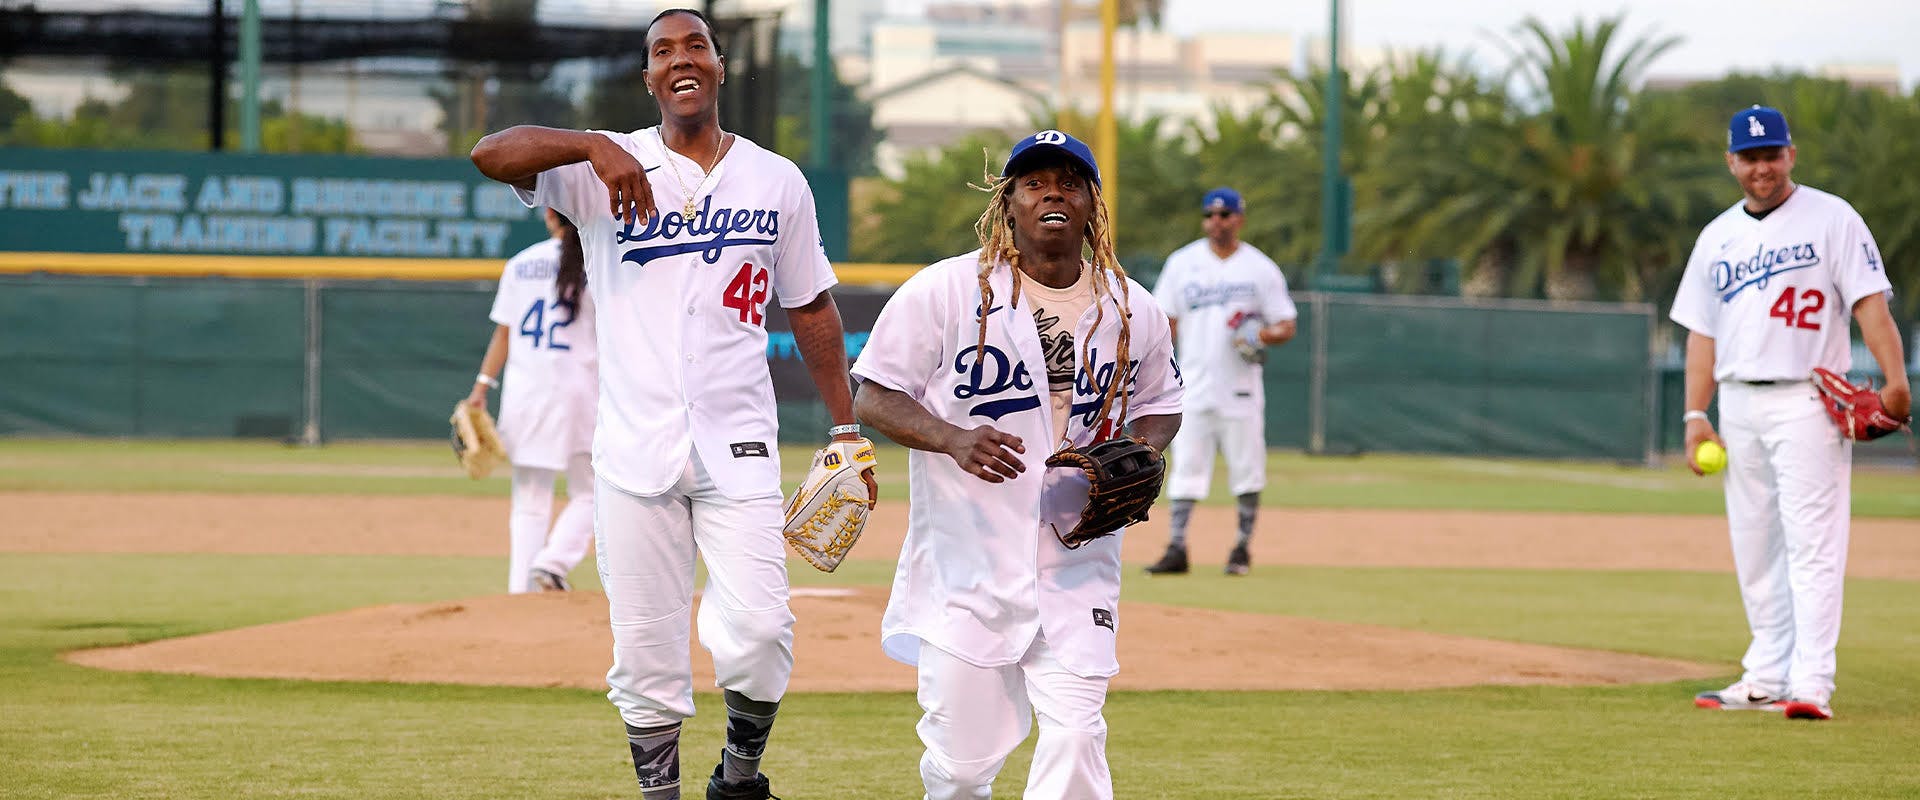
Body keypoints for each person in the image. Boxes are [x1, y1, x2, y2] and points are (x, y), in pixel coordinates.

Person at [469, 8, 875, 799]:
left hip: (740, 442)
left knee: (760, 632)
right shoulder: (599, 170)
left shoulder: (775, 178)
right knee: (646, 655)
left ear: (720, 66)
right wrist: (592, 144)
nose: (680, 60)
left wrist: (846, 424)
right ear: (649, 78)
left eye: (695, 46)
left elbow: (812, 306)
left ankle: (739, 776)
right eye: (663, 51)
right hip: (632, 447)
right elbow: (489, 153)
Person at [851, 130, 1183, 800]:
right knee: (963, 767)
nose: (1052, 192)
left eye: (1069, 181)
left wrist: (1142, 451)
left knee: (1076, 732)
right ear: (1008, 206)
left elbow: (1163, 403)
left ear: (1093, 204)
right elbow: (873, 394)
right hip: (966, 569)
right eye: (1034, 182)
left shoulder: (1130, 307)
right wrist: (949, 436)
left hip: (1078, 562)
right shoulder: (944, 292)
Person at [1673, 105, 1909, 722]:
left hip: (1809, 399)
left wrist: (1896, 380)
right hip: (1740, 401)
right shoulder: (1716, 236)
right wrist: (1695, 413)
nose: (1761, 167)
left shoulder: (1833, 217)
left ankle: (1812, 682)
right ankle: (1765, 674)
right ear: (1731, 162)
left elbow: (1869, 306)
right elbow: (1702, 332)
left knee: (1813, 545)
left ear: (1791, 155)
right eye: (1749, 157)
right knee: (1754, 545)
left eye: (1771, 154)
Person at [1142, 187, 1297, 576]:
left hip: (1241, 387)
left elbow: (1286, 323)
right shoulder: (1183, 263)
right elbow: (1166, 319)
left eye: (1225, 214)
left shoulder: (1259, 268)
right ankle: (1177, 547)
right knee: (1185, 469)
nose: (1217, 222)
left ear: (1239, 219)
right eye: (1210, 215)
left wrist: (1260, 335)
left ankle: (1242, 548)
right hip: (1191, 384)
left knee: (1247, 468)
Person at [466, 207, 597, 594]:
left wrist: (481, 387)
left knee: (529, 498)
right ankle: (552, 562)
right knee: (594, 491)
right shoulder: (599, 262)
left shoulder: (521, 264)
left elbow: (503, 334)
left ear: (550, 215)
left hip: (526, 393)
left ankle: (521, 590)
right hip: (583, 391)